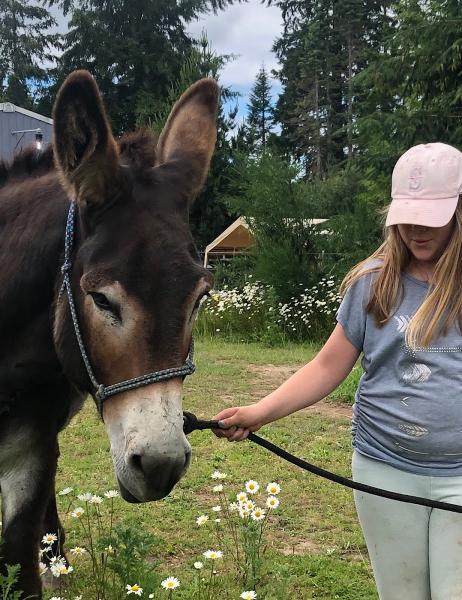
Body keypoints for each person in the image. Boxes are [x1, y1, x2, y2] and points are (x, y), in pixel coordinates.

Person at [212, 142, 462, 600]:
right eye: (406, 216)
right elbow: (327, 366)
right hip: (385, 468)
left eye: (432, 217)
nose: (415, 229)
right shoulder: (372, 282)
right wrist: (259, 412)